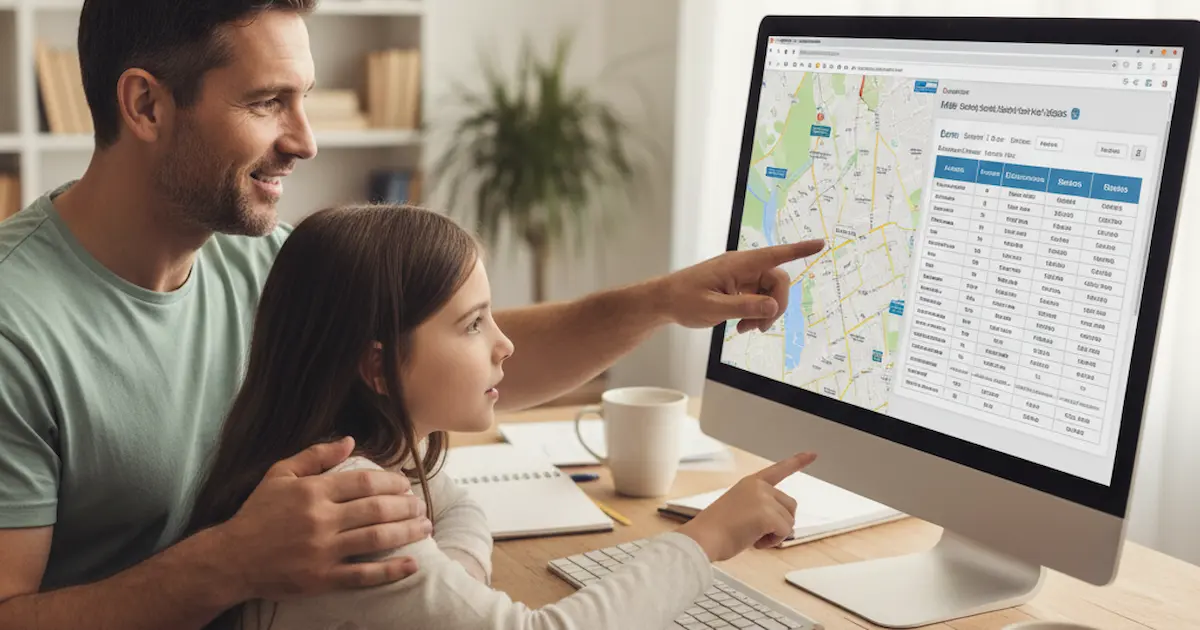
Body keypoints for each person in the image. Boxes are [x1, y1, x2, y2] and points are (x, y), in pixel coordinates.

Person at [0, 1, 825, 629]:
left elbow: (433, 358)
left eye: (305, 99)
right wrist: (227, 565)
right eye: (267, 102)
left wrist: (662, 302)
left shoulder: (262, 260)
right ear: (146, 105)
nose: (306, 140)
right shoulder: (15, 325)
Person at [186, 203, 817, 630]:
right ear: (377, 366)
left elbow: (457, 505)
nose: (505, 344)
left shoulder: (364, 452)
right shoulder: (354, 508)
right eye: (472, 324)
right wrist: (705, 540)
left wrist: (455, 579)